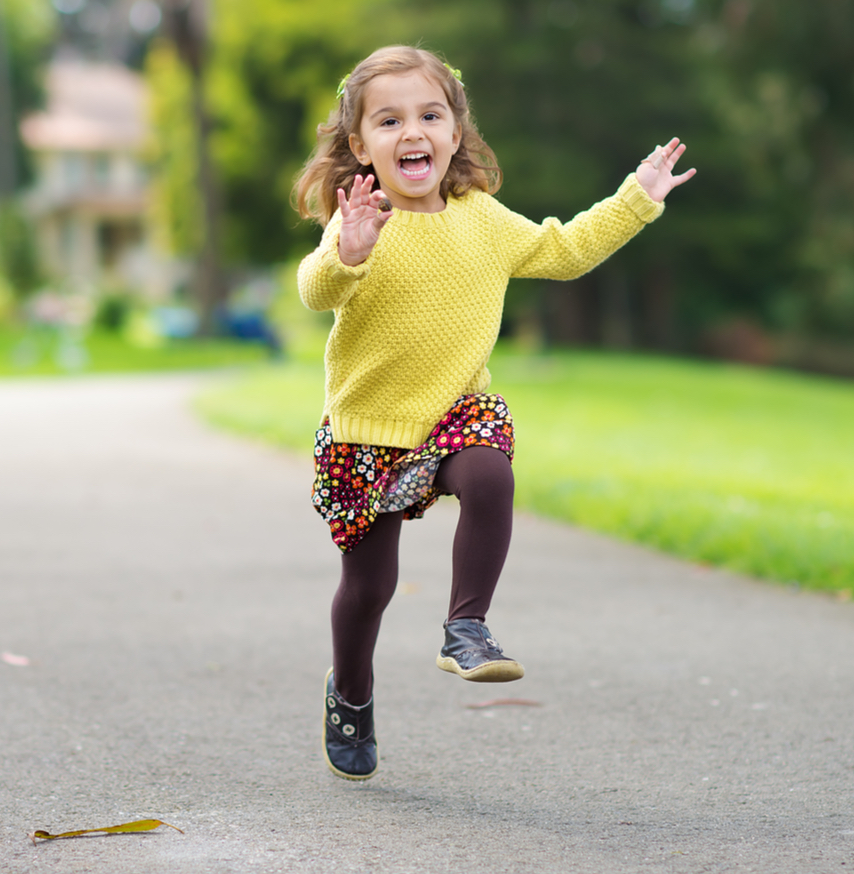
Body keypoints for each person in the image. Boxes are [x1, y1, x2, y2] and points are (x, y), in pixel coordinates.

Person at [294, 45, 695, 781]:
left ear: (453, 133)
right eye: (389, 120)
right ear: (361, 146)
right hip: (367, 431)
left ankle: (466, 626)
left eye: (429, 115)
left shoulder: (484, 220)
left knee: (489, 472)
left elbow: (565, 249)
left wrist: (637, 198)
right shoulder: (363, 223)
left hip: (455, 413)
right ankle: (350, 694)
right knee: (369, 587)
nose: (411, 132)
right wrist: (347, 252)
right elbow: (317, 289)